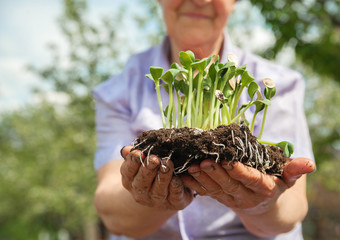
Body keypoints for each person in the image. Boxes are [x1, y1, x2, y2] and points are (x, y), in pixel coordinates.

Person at [93, 0, 316, 239]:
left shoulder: (280, 84)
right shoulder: (117, 90)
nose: (200, 1)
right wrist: (151, 194)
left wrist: (264, 203)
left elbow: (292, 209)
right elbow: (112, 211)